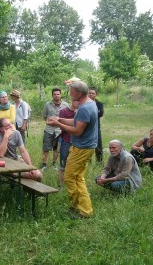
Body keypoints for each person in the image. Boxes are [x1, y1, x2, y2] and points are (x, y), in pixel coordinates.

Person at [47, 80, 98, 219]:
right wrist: (60, 119)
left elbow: (77, 131)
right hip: (86, 147)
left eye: (71, 91)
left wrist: (57, 123)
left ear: (79, 93)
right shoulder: (89, 104)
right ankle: (83, 209)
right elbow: (77, 121)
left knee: (69, 178)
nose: (69, 94)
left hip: (82, 148)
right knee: (78, 178)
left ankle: (80, 209)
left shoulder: (84, 108)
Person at [41, 88, 69, 171]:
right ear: (52, 95)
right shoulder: (47, 104)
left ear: (60, 95)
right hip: (49, 129)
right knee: (46, 147)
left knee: (57, 149)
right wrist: (49, 122)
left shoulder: (66, 105)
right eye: (55, 94)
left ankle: (53, 164)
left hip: (59, 130)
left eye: (58, 94)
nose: (56, 96)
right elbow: (44, 116)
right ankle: (43, 165)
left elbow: (67, 117)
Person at [57, 100, 79, 187]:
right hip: (66, 140)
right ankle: (61, 185)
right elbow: (62, 126)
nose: (77, 102)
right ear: (72, 101)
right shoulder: (63, 111)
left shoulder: (82, 111)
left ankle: (74, 184)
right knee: (63, 164)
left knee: (76, 165)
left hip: (78, 142)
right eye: (75, 100)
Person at [88, 87, 104, 162]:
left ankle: (99, 161)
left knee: (98, 145)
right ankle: (88, 161)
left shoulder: (99, 104)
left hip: (96, 127)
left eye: (92, 93)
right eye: (89, 93)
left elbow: (101, 114)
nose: (91, 94)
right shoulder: (84, 103)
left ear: (96, 94)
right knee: (88, 145)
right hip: (86, 127)